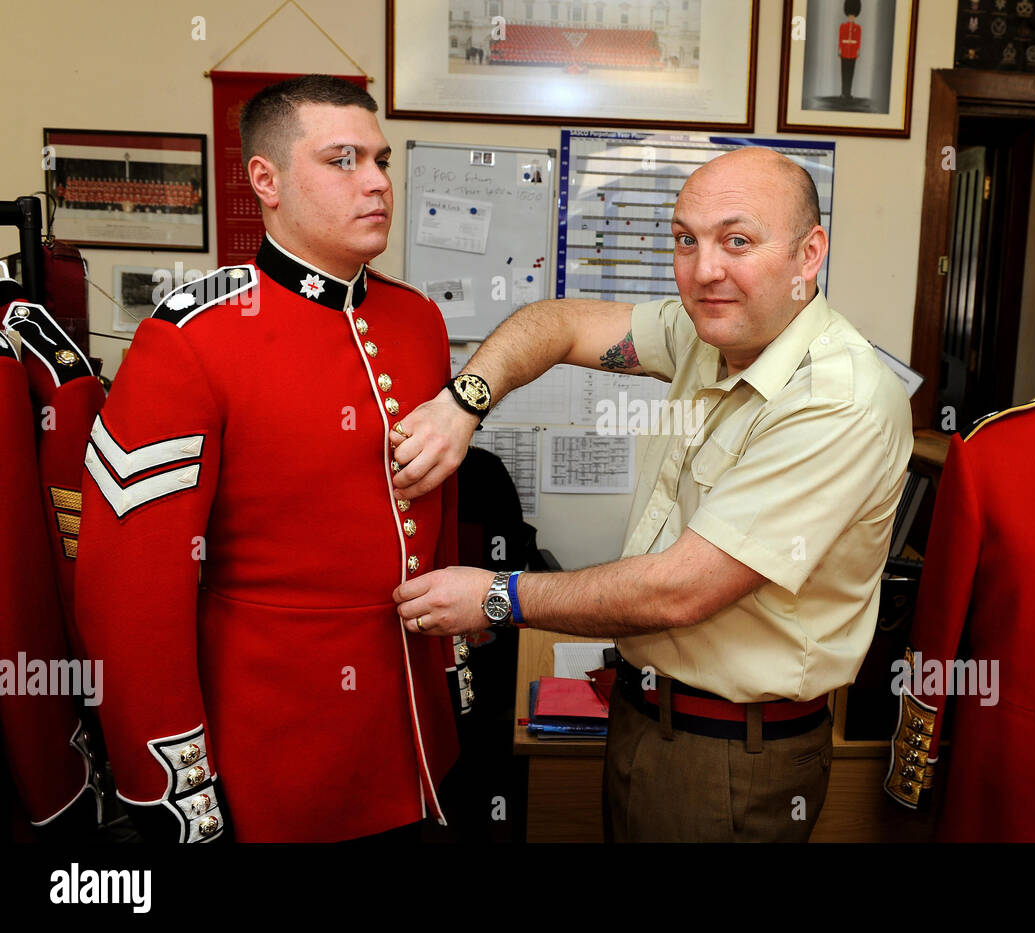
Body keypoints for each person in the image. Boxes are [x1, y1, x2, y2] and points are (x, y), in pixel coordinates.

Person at [388, 146, 913, 842]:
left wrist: (495, 594)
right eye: (684, 240)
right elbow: (561, 323)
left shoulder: (837, 400)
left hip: (729, 756)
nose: (704, 271)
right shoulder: (708, 333)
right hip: (647, 717)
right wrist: (463, 402)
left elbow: (680, 590)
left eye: (737, 240)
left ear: (809, 254)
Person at [74, 75, 465, 843]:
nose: (378, 181)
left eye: (381, 160)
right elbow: (131, 599)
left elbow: (429, 532)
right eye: (344, 160)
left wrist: (450, 683)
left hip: (414, 744)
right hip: (275, 764)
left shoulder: (417, 321)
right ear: (266, 179)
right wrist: (172, 783)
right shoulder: (192, 338)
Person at [839, 1, 863, 100]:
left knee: (851, 73)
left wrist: (857, 51)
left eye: (853, 16)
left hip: (852, 53)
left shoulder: (858, 28)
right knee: (844, 73)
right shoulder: (843, 27)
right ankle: (843, 93)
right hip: (844, 52)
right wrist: (840, 50)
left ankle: (848, 93)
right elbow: (840, 39)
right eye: (850, 16)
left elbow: (858, 41)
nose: (851, 18)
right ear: (847, 15)